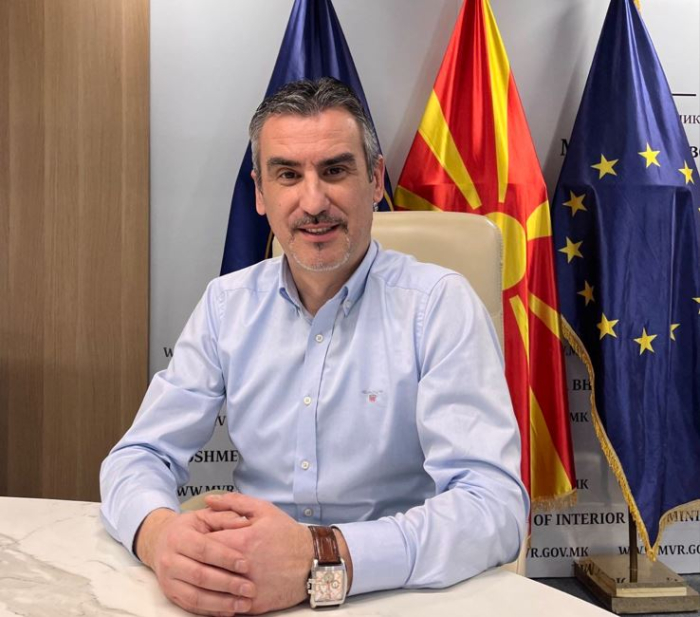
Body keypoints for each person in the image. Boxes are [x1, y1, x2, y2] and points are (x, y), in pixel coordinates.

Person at [100, 77, 529, 616]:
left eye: (335, 170)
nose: (313, 201)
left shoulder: (439, 306)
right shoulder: (226, 305)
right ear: (260, 193)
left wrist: (322, 556)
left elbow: (494, 505)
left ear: (374, 180)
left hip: (395, 594)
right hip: (250, 588)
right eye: (287, 174)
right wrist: (158, 535)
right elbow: (140, 455)